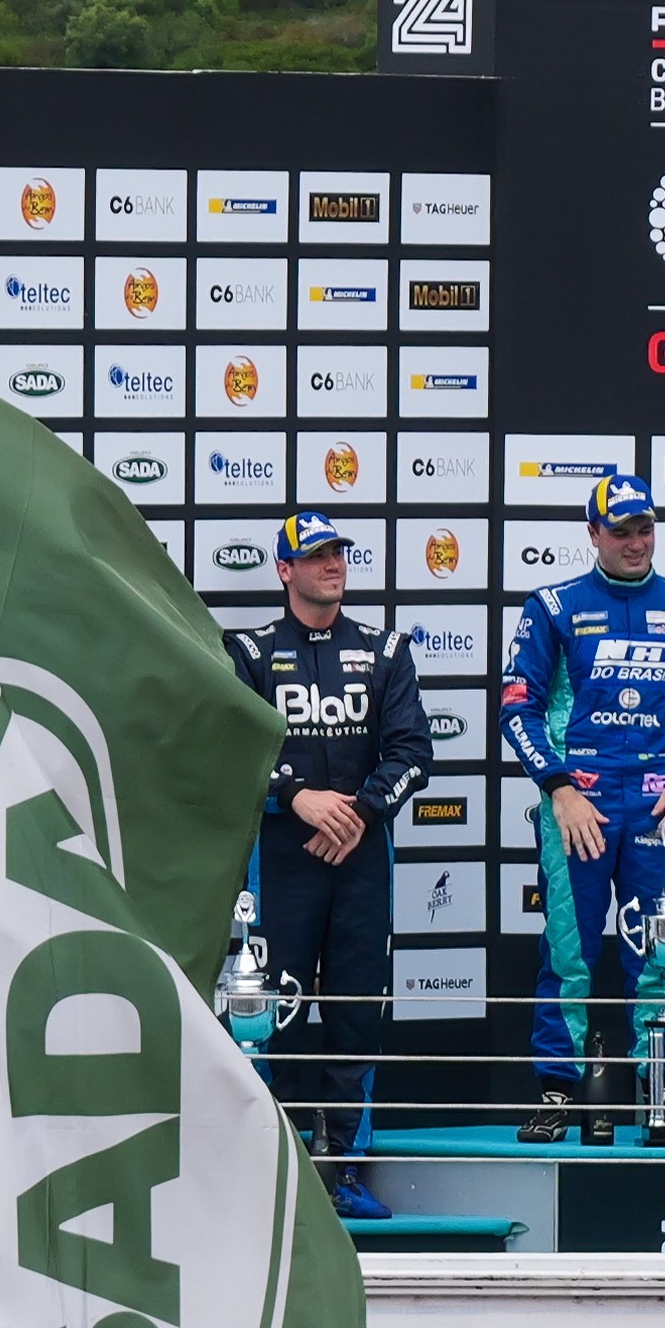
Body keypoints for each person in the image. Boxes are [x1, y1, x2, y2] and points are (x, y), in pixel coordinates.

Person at [500, 470, 665, 1138]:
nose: (637, 542)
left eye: (645, 529)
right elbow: (516, 708)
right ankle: (557, 1091)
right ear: (593, 534)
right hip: (578, 805)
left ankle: (657, 1093)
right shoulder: (552, 604)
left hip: (655, 808)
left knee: (660, 958)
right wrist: (560, 789)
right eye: (622, 531)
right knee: (568, 953)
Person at [227, 511, 433, 1218]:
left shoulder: (385, 650)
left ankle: (344, 1172)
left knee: (353, 1014)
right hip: (282, 860)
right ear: (284, 570)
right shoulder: (250, 652)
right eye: (315, 556)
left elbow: (413, 754)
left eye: (337, 552)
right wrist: (299, 797)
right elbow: (231, 750)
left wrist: (360, 812)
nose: (331, 565)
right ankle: (268, 1176)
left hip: (360, 859)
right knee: (272, 1014)